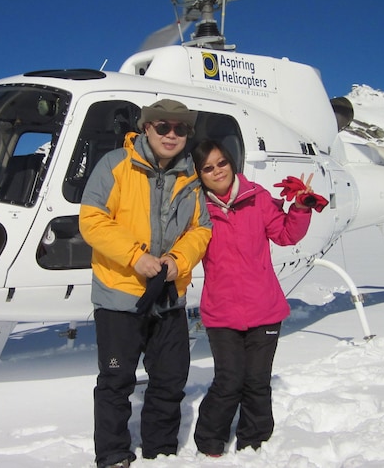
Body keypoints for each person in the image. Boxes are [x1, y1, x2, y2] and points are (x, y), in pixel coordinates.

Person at [79, 98, 212, 468]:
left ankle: (161, 450)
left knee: (170, 379)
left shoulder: (190, 175)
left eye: (180, 129)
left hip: (168, 296)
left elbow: (201, 228)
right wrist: (136, 257)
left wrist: (177, 260)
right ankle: (112, 454)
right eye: (163, 127)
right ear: (147, 127)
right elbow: (92, 219)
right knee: (116, 380)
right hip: (120, 295)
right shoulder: (116, 165)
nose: (171, 135)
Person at [191, 139, 319, 456]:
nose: (217, 171)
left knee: (257, 381)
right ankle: (209, 439)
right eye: (208, 168)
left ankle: (254, 440)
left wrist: (301, 208)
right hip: (222, 312)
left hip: (264, 308)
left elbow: (286, 234)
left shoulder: (257, 198)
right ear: (199, 175)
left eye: (221, 163)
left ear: (232, 162)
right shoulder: (196, 210)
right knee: (229, 380)